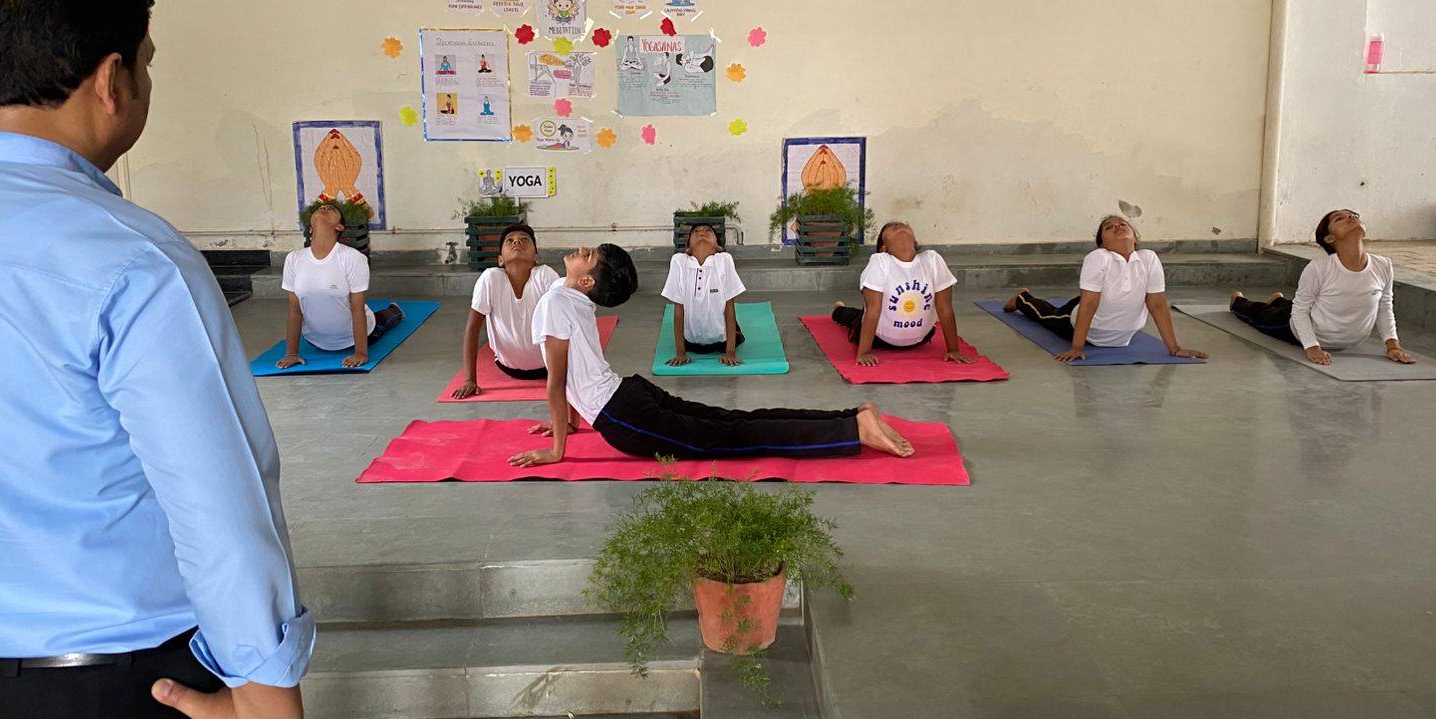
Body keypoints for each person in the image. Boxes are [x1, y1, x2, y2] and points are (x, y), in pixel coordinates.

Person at [0, 0, 310, 719]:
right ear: (110, 81)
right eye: (146, 63)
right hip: (112, 700)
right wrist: (265, 696)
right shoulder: (129, 261)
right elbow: (215, 501)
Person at [510, 245, 914, 467]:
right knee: (737, 421)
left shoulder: (558, 299)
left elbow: (557, 381)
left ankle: (853, 429)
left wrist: (557, 450)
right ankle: (853, 417)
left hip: (622, 415)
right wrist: (568, 421)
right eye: (591, 253)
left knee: (737, 436)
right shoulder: (566, 296)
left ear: (585, 281)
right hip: (629, 395)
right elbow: (572, 369)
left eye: (589, 255)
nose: (582, 250)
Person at [1004, 215, 1207, 362]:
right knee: (1048, 316)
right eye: (1109, 227)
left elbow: (1157, 305)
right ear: (1102, 244)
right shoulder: (1099, 257)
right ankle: (1022, 298)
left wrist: (1174, 348)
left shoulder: (1149, 258)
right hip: (1083, 319)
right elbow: (1089, 304)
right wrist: (1077, 347)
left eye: (1123, 224)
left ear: (1135, 238)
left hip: (1116, 323)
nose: (1118, 227)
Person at [1231, 209, 1414, 365]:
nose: (1351, 217)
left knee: (1302, 304)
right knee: (1262, 316)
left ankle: (1278, 301)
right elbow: (1300, 311)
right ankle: (1237, 301)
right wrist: (1312, 347)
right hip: (1303, 330)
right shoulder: (1319, 268)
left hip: (1346, 336)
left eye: (1353, 215)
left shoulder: (1383, 265)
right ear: (1329, 238)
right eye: (1340, 218)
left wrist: (1393, 346)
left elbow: (1384, 307)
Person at [830, 221, 974, 366]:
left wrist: (954, 349)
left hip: (920, 338)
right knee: (855, 317)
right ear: (884, 248)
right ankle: (839, 309)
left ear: (914, 241)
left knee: (861, 313)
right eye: (890, 228)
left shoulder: (932, 260)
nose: (898, 225)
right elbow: (873, 310)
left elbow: (945, 307)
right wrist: (863, 353)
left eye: (903, 225)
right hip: (879, 338)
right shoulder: (880, 261)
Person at [276, 203, 402, 369]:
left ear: (339, 227)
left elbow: (357, 308)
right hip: (316, 341)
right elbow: (294, 310)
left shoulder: (352, 258)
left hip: (357, 336)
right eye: (320, 208)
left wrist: (361, 353)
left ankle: (395, 310)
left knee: (384, 320)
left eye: (331, 209)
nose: (323, 208)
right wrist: (291, 354)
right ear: (311, 228)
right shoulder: (293, 259)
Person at [451, 223, 559, 398]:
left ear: (536, 258)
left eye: (524, 240)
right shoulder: (490, 278)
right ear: (500, 259)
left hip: (551, 368)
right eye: (510, 240)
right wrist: (470, 379)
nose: (517, 242)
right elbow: (472, 329)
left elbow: (564, 321)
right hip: (507, 367)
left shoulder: (545, 275)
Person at [662, 222, 746, 366]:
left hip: (722, 340)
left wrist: (730, 352)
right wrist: (680, 352)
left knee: (732, 327)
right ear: (688, 248)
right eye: (696, 231)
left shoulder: (724, 260)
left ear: (718, 247)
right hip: (691, 341)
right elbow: (678, 310)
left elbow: (729, 308)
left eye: (708, 231)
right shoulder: (679, 262)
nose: (702, 232)